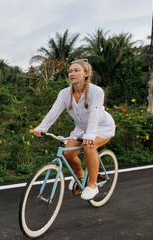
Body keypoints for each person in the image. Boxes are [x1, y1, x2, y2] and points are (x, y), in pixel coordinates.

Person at [33, 59, 115, 200]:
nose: (72, 73)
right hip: (81, 129)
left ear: (86, 74)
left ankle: (93, 185)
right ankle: (80, 175)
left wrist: (90, 136)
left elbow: (95, 113)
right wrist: (42, 127)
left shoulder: (96, 92)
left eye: (77, 70)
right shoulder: (65, 93)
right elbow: (54, 112)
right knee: (68, 154)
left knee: (89, 147)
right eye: (70, 71)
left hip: (102, 127)